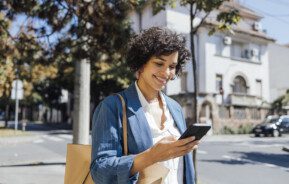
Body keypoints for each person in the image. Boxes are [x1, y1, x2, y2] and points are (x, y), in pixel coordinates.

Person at [90, 27, 199, 184]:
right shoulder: (112, 107)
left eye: (172, 66)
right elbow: (99, 171)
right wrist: (151, 156)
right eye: (159, 63)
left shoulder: (175, 107)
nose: (166, 72)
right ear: (141, 64)